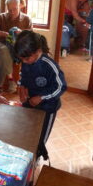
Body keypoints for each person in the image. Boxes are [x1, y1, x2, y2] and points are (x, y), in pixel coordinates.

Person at [14, 30, 67, 161]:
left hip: (48, 107)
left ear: (37, 51)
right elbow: (23, 75)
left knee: (40, 137)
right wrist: (21, 86)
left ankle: (36, 157)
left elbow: (61, 86)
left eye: (27, 59)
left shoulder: (49, 65)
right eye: (22, 59)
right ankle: (26, 153)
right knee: (28, 131)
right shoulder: (26, 61)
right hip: (30, 103)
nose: (24, 62)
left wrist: (42, 97)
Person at [0, 0, 33, 93]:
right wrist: (5, 34)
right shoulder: (0, 17)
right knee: (3, 50)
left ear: (19, 6)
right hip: (2, 44)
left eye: (14, 9)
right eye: (9, 10)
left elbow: (31, 34)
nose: (12, 12)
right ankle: (11, 80)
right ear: (7, 8)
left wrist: (21, 33)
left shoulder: (26, 19)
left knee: (3, 58)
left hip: (19, 47)